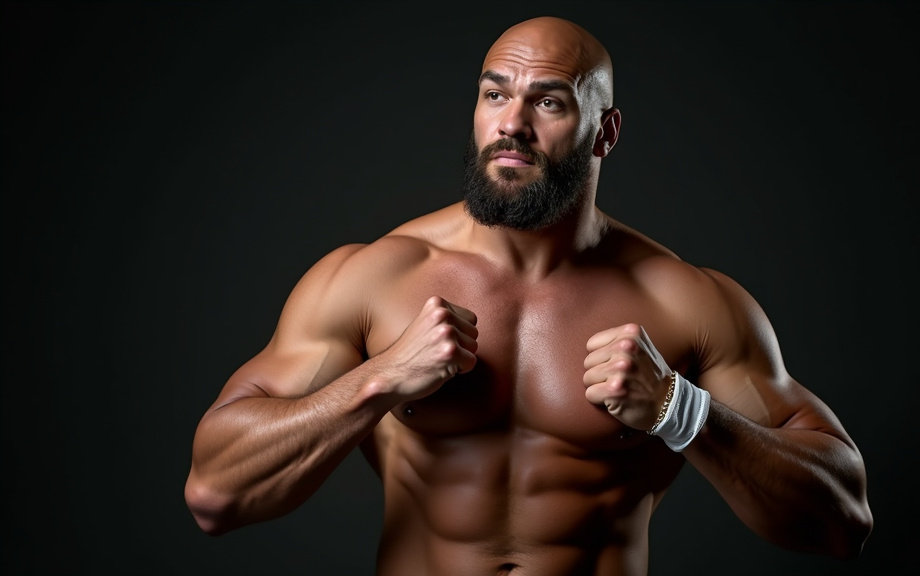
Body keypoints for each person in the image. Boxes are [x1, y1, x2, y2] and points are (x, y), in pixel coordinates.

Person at [184, 15, 873, 575]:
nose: (512, 123)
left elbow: (844, 521)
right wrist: (381, 379)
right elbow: (215, 494)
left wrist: (677, 407)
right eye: (494, 95)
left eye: (548, 101)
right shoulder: (371, 279)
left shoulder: (687, 302)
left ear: (605, 131)